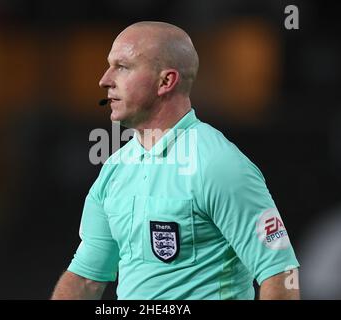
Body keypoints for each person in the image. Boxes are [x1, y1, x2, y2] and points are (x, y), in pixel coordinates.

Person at [51, 21, 300, 300]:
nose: (105, 79)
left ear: (166, 81)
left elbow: (280, 272)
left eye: (122, 66)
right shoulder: (114, 171)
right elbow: (85, 278)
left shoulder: (218, 165)